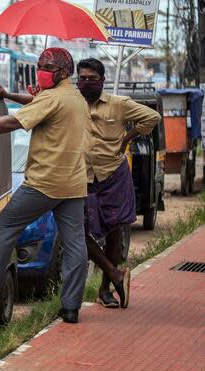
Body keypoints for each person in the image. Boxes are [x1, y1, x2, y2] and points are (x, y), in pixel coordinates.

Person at [0, 48, 90, 324]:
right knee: (75, 245)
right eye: (41, 65)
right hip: (74, 184)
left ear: (64, 72)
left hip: (44, 183)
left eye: (48, 67)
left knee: (6, 225)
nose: (42, 70)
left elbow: (13, 121)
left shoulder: (54, 98)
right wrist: (8, 95)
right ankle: (70, 307)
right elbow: (36, 103)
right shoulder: (74, 97)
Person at [75, 58, 160, 308]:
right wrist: (8, 94)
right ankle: (114, 273)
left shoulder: (119, 104)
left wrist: (129, 138)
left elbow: (152, 117)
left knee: (115, 232)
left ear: (102, 80)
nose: (86, 83)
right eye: (82, 78)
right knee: (77, 229)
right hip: (82, 176)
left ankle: (105, 289)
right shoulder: (72, 104)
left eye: (92, 79)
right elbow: (38, 105)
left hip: (113, 174)